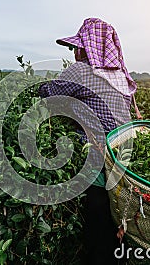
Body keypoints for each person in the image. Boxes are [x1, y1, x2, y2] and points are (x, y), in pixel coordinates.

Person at [39, 17, 142, 264]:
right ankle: (118, 255)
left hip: (100, 150)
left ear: (86, 47)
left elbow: (50, 93)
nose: (74, 52)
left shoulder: (82, 69)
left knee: (99, 212)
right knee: (117, 209)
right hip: (126, 148)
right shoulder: (118, 74)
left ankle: (101, 256)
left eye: (76, 47)